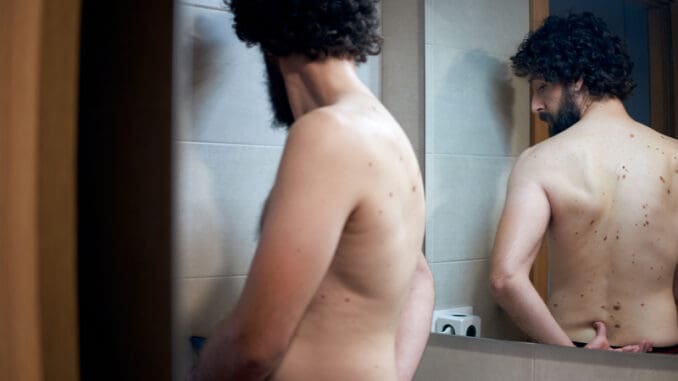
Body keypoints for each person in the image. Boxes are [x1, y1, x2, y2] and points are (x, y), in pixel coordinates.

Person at [190, 1, 435, 380]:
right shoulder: (387, 133)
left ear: (269, 41)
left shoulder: (328, 132)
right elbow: (418, 277)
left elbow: (255, 348)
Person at [490, 12, 678, 353]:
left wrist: (574, 360)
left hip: (569, 352)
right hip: (663, 355)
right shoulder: (674, 157)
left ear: (576, 79)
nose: (535, 106)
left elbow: (505, 278)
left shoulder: (539, 161)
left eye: (542, 87)